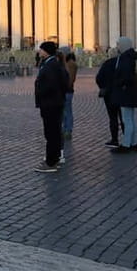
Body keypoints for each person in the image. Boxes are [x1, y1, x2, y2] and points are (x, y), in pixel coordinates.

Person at [34, 41, 67, 173]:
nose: (39, 51)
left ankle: (50, 162)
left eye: (41, 49)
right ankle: (55, 158)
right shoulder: (53, 63)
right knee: (54, 132)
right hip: (55, 102)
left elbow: (50, 85)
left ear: (46, 51)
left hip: (50, 103)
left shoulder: (51, 65)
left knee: (51, 133)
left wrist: (41, 93)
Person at [110, 37, 137, 154]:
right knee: (130, 119)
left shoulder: (125, 58)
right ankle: (133, 143)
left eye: (118, 44)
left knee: (127, 119)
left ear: (123, 45)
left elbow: (126, 76)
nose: (117, 47)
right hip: (130, 92)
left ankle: (126, 145)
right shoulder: (132, 56)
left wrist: (118, 83)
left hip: (125, 92)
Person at [96, 48, 124, 148]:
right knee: (123, 117)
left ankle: (114, 139)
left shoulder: (106, 64)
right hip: (121, 93)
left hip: (109, 95)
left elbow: (98, 78)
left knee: (113, 118)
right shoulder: (122, 63)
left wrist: (103, 87)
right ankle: (127, 139)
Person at [61, 49, 78, 140]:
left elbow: (70, 79)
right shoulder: (68, 63)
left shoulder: (70, 64)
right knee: (65, 111)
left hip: (67, 90)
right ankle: (65, 129)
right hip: (66, 90)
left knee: (67, 111)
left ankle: (68, 129)